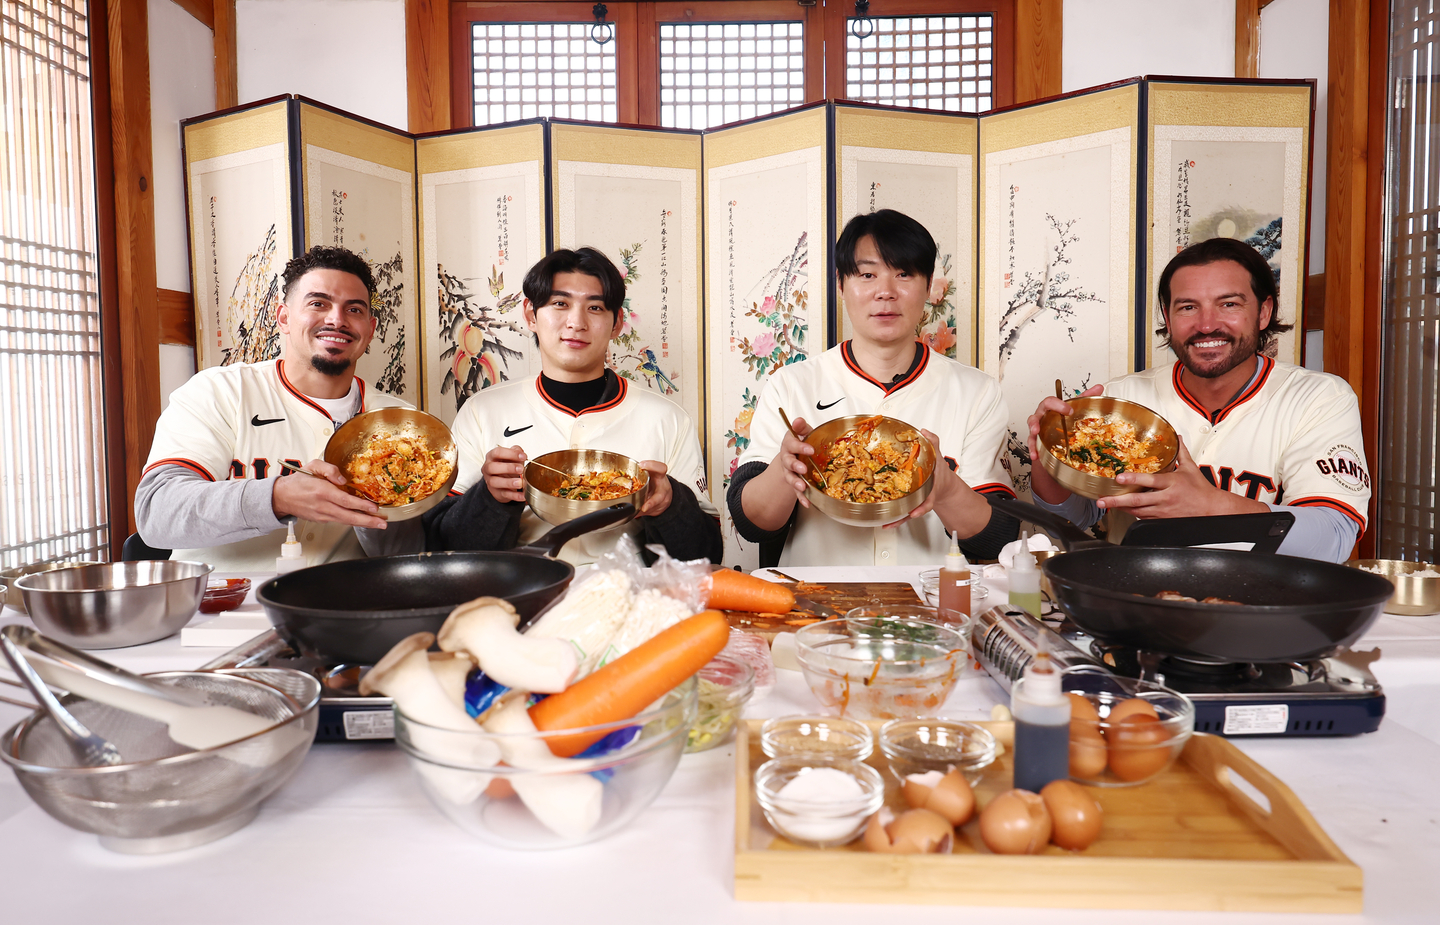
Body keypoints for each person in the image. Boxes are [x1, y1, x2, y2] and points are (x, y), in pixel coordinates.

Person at [1027, 237, 1369, 562]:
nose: (1206, 325)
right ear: (1168, 317)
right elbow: (1076, 516)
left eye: (1229, 304)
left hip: (1264, 595)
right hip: (1136, 590)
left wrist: (1211, 505)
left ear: (1264, 312)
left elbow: (1334, 538)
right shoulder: (1122, 402)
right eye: (1188, 307)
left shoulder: (1318, 399)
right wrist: (1047, 453)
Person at [728, 209, 1019, 567]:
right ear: (841, 284)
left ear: (929, 286)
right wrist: (784, 470)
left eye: (903, 274)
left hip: (933, 598)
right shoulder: (791, 386)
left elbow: (999, 539)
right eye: (867, 275)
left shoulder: (977, 393)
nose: (886, 292)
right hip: (815, 596)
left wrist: (944, 488)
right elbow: (752, 525)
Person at [421, 246, 723, 565]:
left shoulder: (667, 418)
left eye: (595, 307)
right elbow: (443, 547)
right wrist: (490, 497)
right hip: (521, 589)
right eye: (560, 303)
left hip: (632, 591)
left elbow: (708, 555)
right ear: (530, 314)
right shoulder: (482, 411)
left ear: (617, 323)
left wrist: (670, 504)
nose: (576, 322)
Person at [135, 245, 410, 571]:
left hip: (339, 599)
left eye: (354, 309)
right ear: (284, 318)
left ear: (370, 329)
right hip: (220, 598)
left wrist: (376, 500)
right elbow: (156, 512)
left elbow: (408, 551)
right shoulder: (221, 392)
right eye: (318, 304)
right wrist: (277, 496)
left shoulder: (399, 422)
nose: (337, 319)